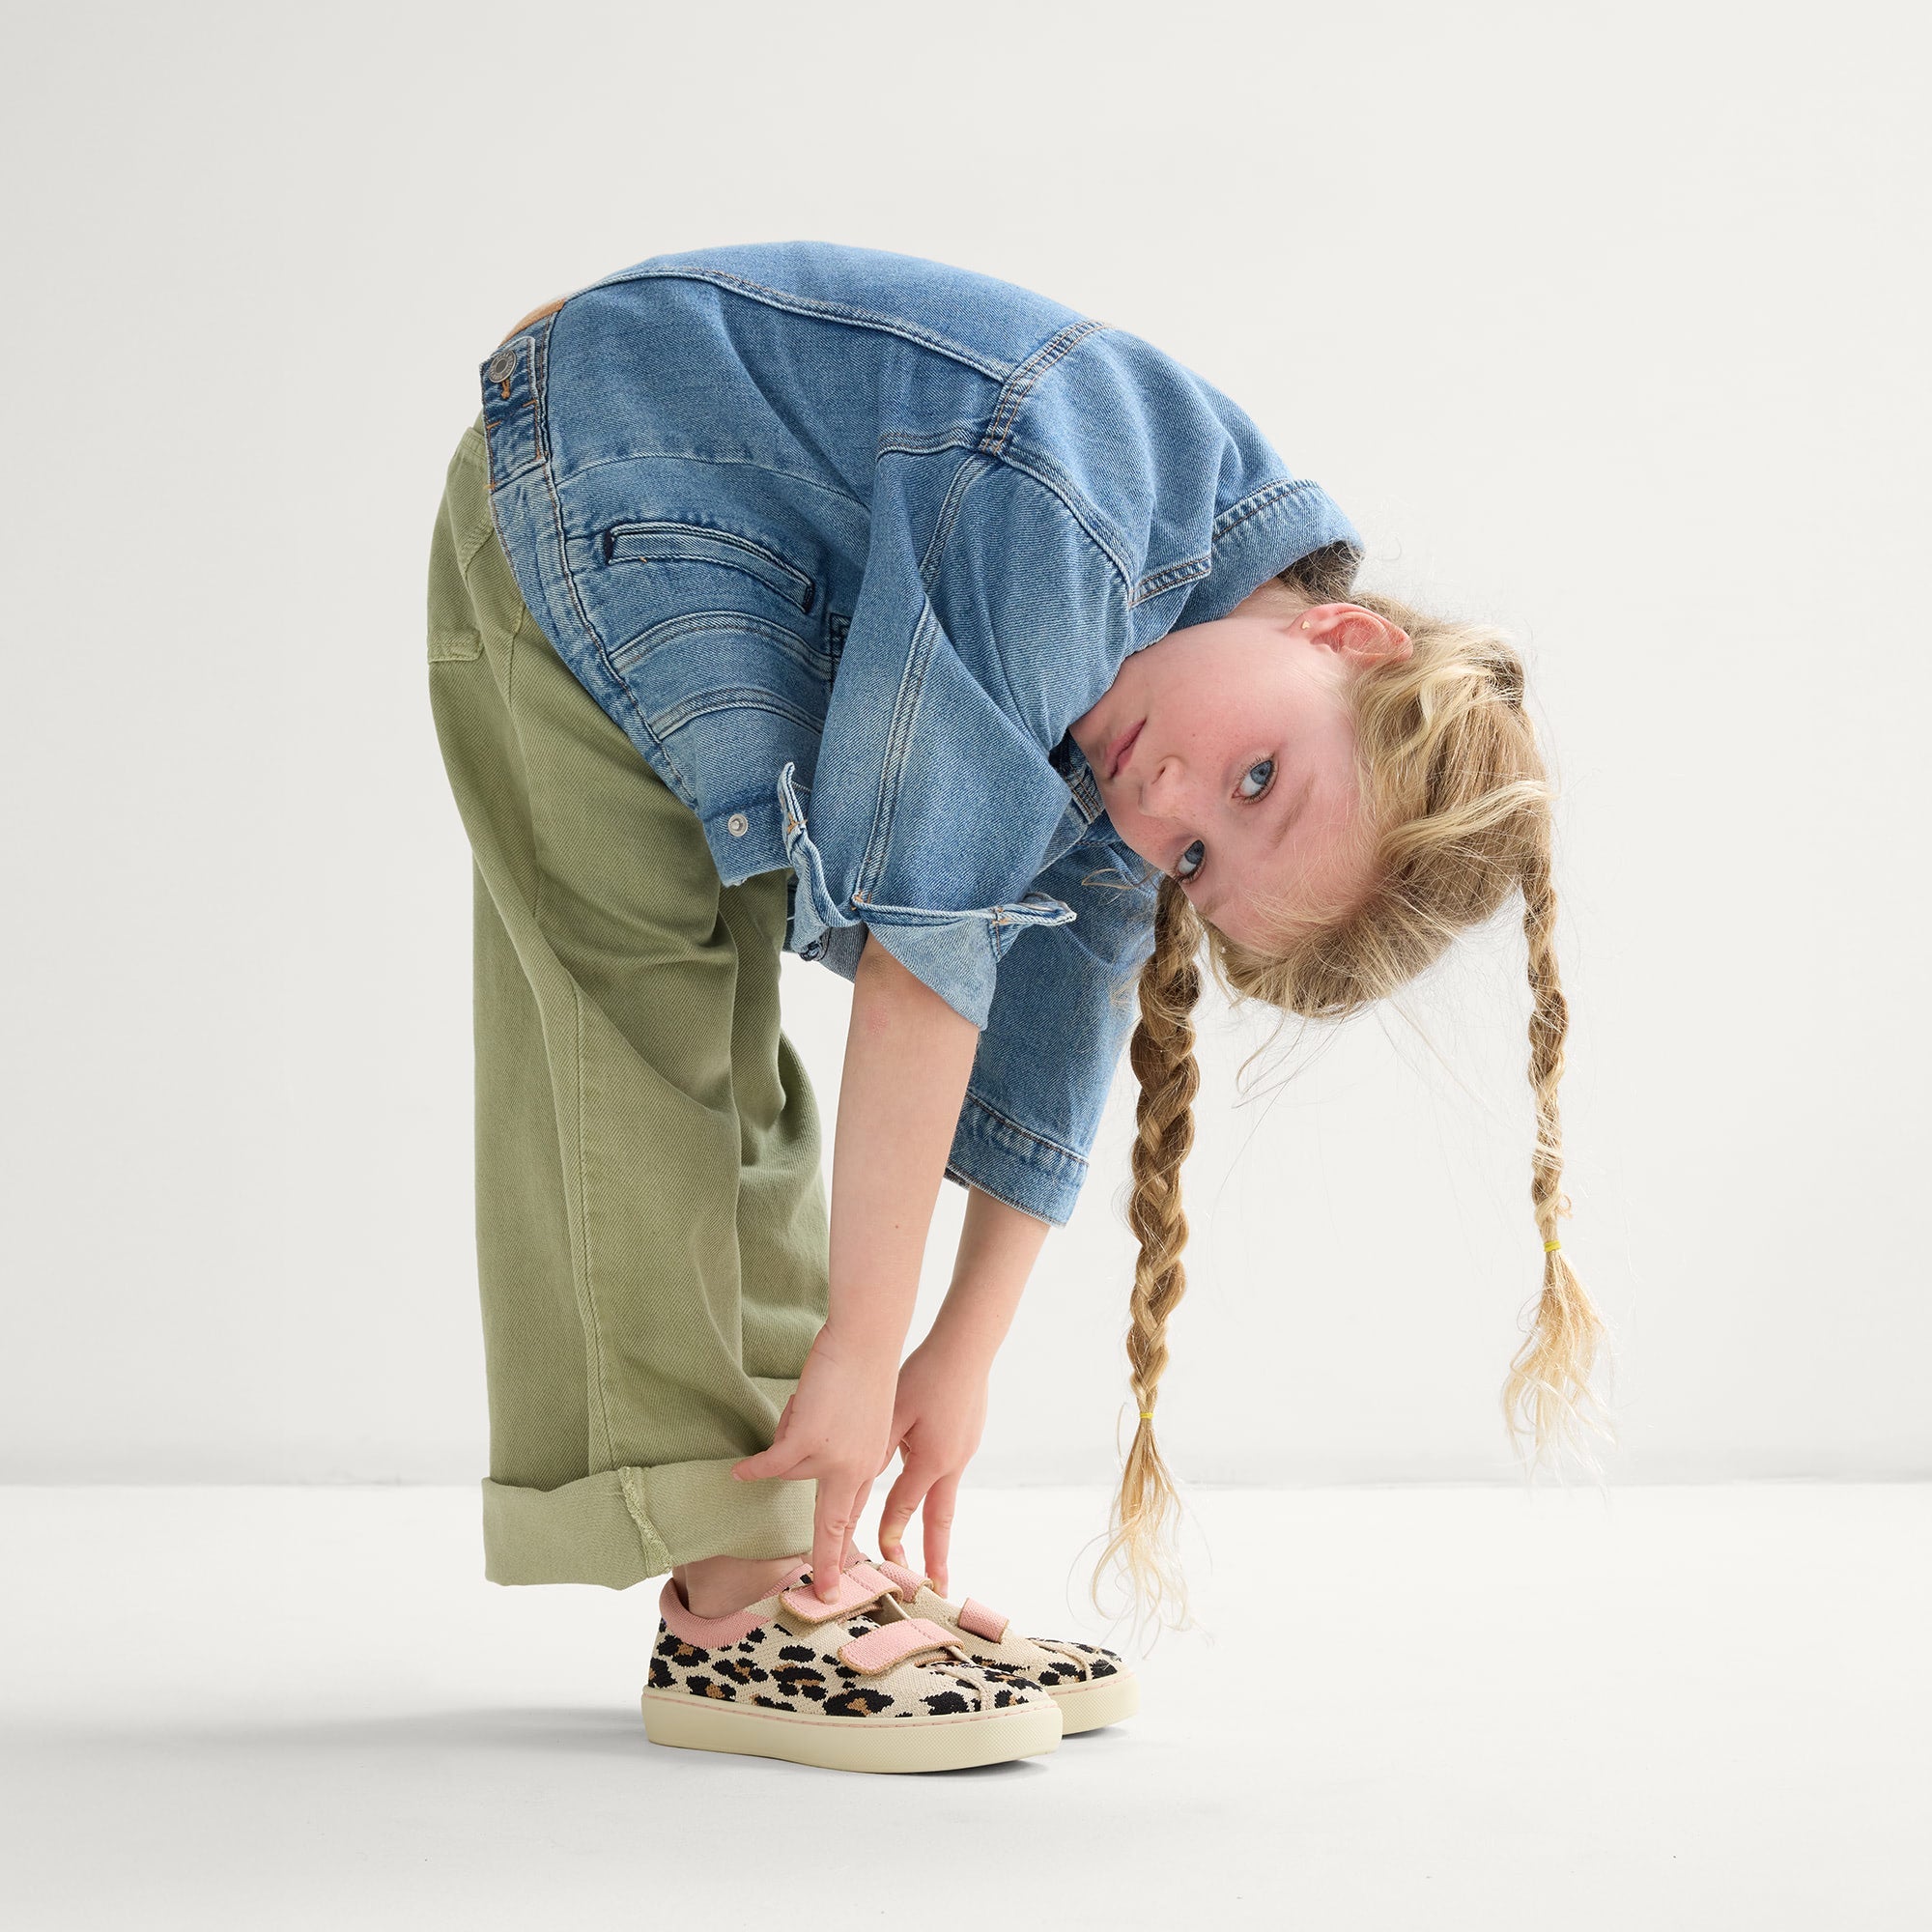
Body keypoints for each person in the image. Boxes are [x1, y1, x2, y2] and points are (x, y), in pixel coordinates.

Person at [425, 242, 1605, 1773]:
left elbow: (1050, 1018)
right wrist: (864, 1342)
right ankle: (733, 1600)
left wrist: (953, 1350)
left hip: (701, 549)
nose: (1170, 804)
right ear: (1343, 634)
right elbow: (929, 961)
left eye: (1201, 859)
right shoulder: (1071, 516)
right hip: (582, 479)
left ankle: (796, 1547)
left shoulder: (1163, 678)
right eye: (1259, 778)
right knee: (638, 1047)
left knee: (739, 1075)